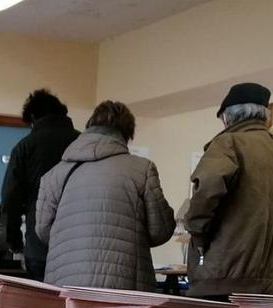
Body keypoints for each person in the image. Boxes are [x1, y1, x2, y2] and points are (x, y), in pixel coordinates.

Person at [35, 101, 175, 291]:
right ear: (127, 134)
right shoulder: (142, 169)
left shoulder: (54, 175)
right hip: (124, 286)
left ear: (90, 127)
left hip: (65, 285)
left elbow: (43, 231)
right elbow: (161, 231)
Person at [184, 82, 273, 305]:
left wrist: (196, 229)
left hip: (223, 277)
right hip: (271, 282)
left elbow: (206, 190)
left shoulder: (228, 144)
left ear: (228, 117)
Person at [1, 89, 80, 281]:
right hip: (79, 246)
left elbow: (11, 198)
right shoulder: (82, 142)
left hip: (39, 247)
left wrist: (13, 240)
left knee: (42, 305)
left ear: (34, 117)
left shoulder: (25, 147)